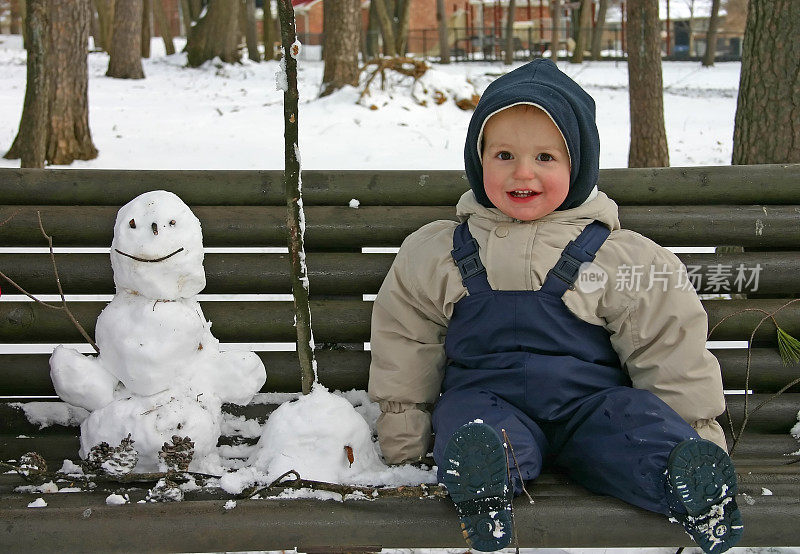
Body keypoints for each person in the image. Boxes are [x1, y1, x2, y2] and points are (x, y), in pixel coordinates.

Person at [368, 59, 743, 553]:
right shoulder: (437, 253)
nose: (523, 172)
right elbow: (407, 343)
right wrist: (404, 434)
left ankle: (688, 481)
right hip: (488, 399)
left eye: (546, 157)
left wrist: (694, 431)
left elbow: (667, 346)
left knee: (631, 419)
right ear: (478, 162)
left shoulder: (619, 255)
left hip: (590, 408)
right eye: (504, 154)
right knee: (469, 418)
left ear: (578, 165)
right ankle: (484, 483)